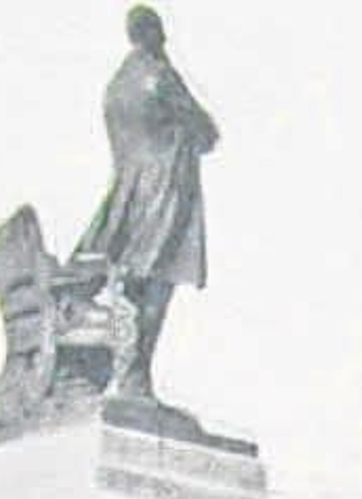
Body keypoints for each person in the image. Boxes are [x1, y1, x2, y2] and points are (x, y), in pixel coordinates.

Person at [73, 6, 219, 398]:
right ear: (153, 34)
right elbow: (208, 133)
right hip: (165, 196)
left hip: (126, 197)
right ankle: (136, 377)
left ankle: (129, 373)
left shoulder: (115, 85)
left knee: (130, 285)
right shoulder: (161, 76)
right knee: (155, 286)